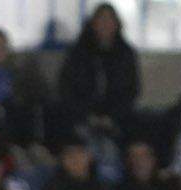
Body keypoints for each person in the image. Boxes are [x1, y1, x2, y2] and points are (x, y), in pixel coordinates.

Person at [52, 4, 138, 150]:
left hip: (116, 120)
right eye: (101, 20)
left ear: (117, 24)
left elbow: (131, 91)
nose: (105, 25)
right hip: (81, 118)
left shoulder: (125, 54)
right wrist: (87, 116)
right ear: (93, 24)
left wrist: (111, 117)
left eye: (110, 20)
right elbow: (66, 89)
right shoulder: (78, 53)